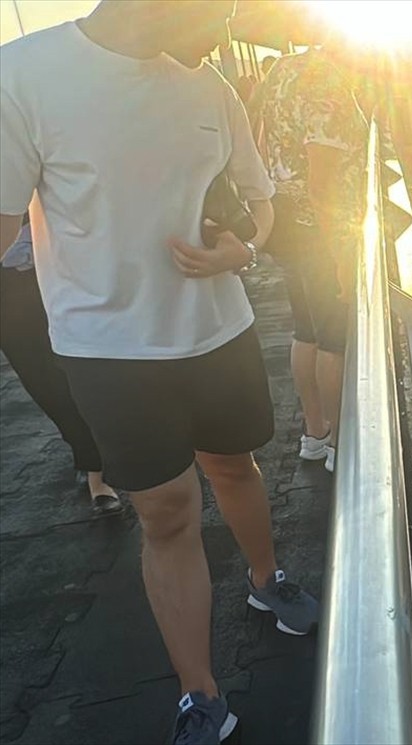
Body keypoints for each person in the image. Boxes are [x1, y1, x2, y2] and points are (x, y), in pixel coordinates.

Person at [0, 2, 319, 742]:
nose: (232, 18)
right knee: (167, 511)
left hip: (221, 330)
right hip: (108, 348)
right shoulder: (25, 74)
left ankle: (267, 580)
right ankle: (200, 692)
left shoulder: (210, 88)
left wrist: (241, 250)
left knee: (236, 467)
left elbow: (261, 204)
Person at [249, 35, 369, 474]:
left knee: (305, 332)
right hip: (319, 232)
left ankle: (314, 432)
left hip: (287, 224)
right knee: (334, 341)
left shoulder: (284, 69)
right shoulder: (328, 90)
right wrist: (339, 254)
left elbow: (261, 141)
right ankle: (339, 442)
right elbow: (324, 187)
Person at [0, 216, 120, 513]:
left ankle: (105, 460)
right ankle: (90, 456)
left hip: (65, 255)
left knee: (99, 357)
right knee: (41, 378)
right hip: (9, 283)